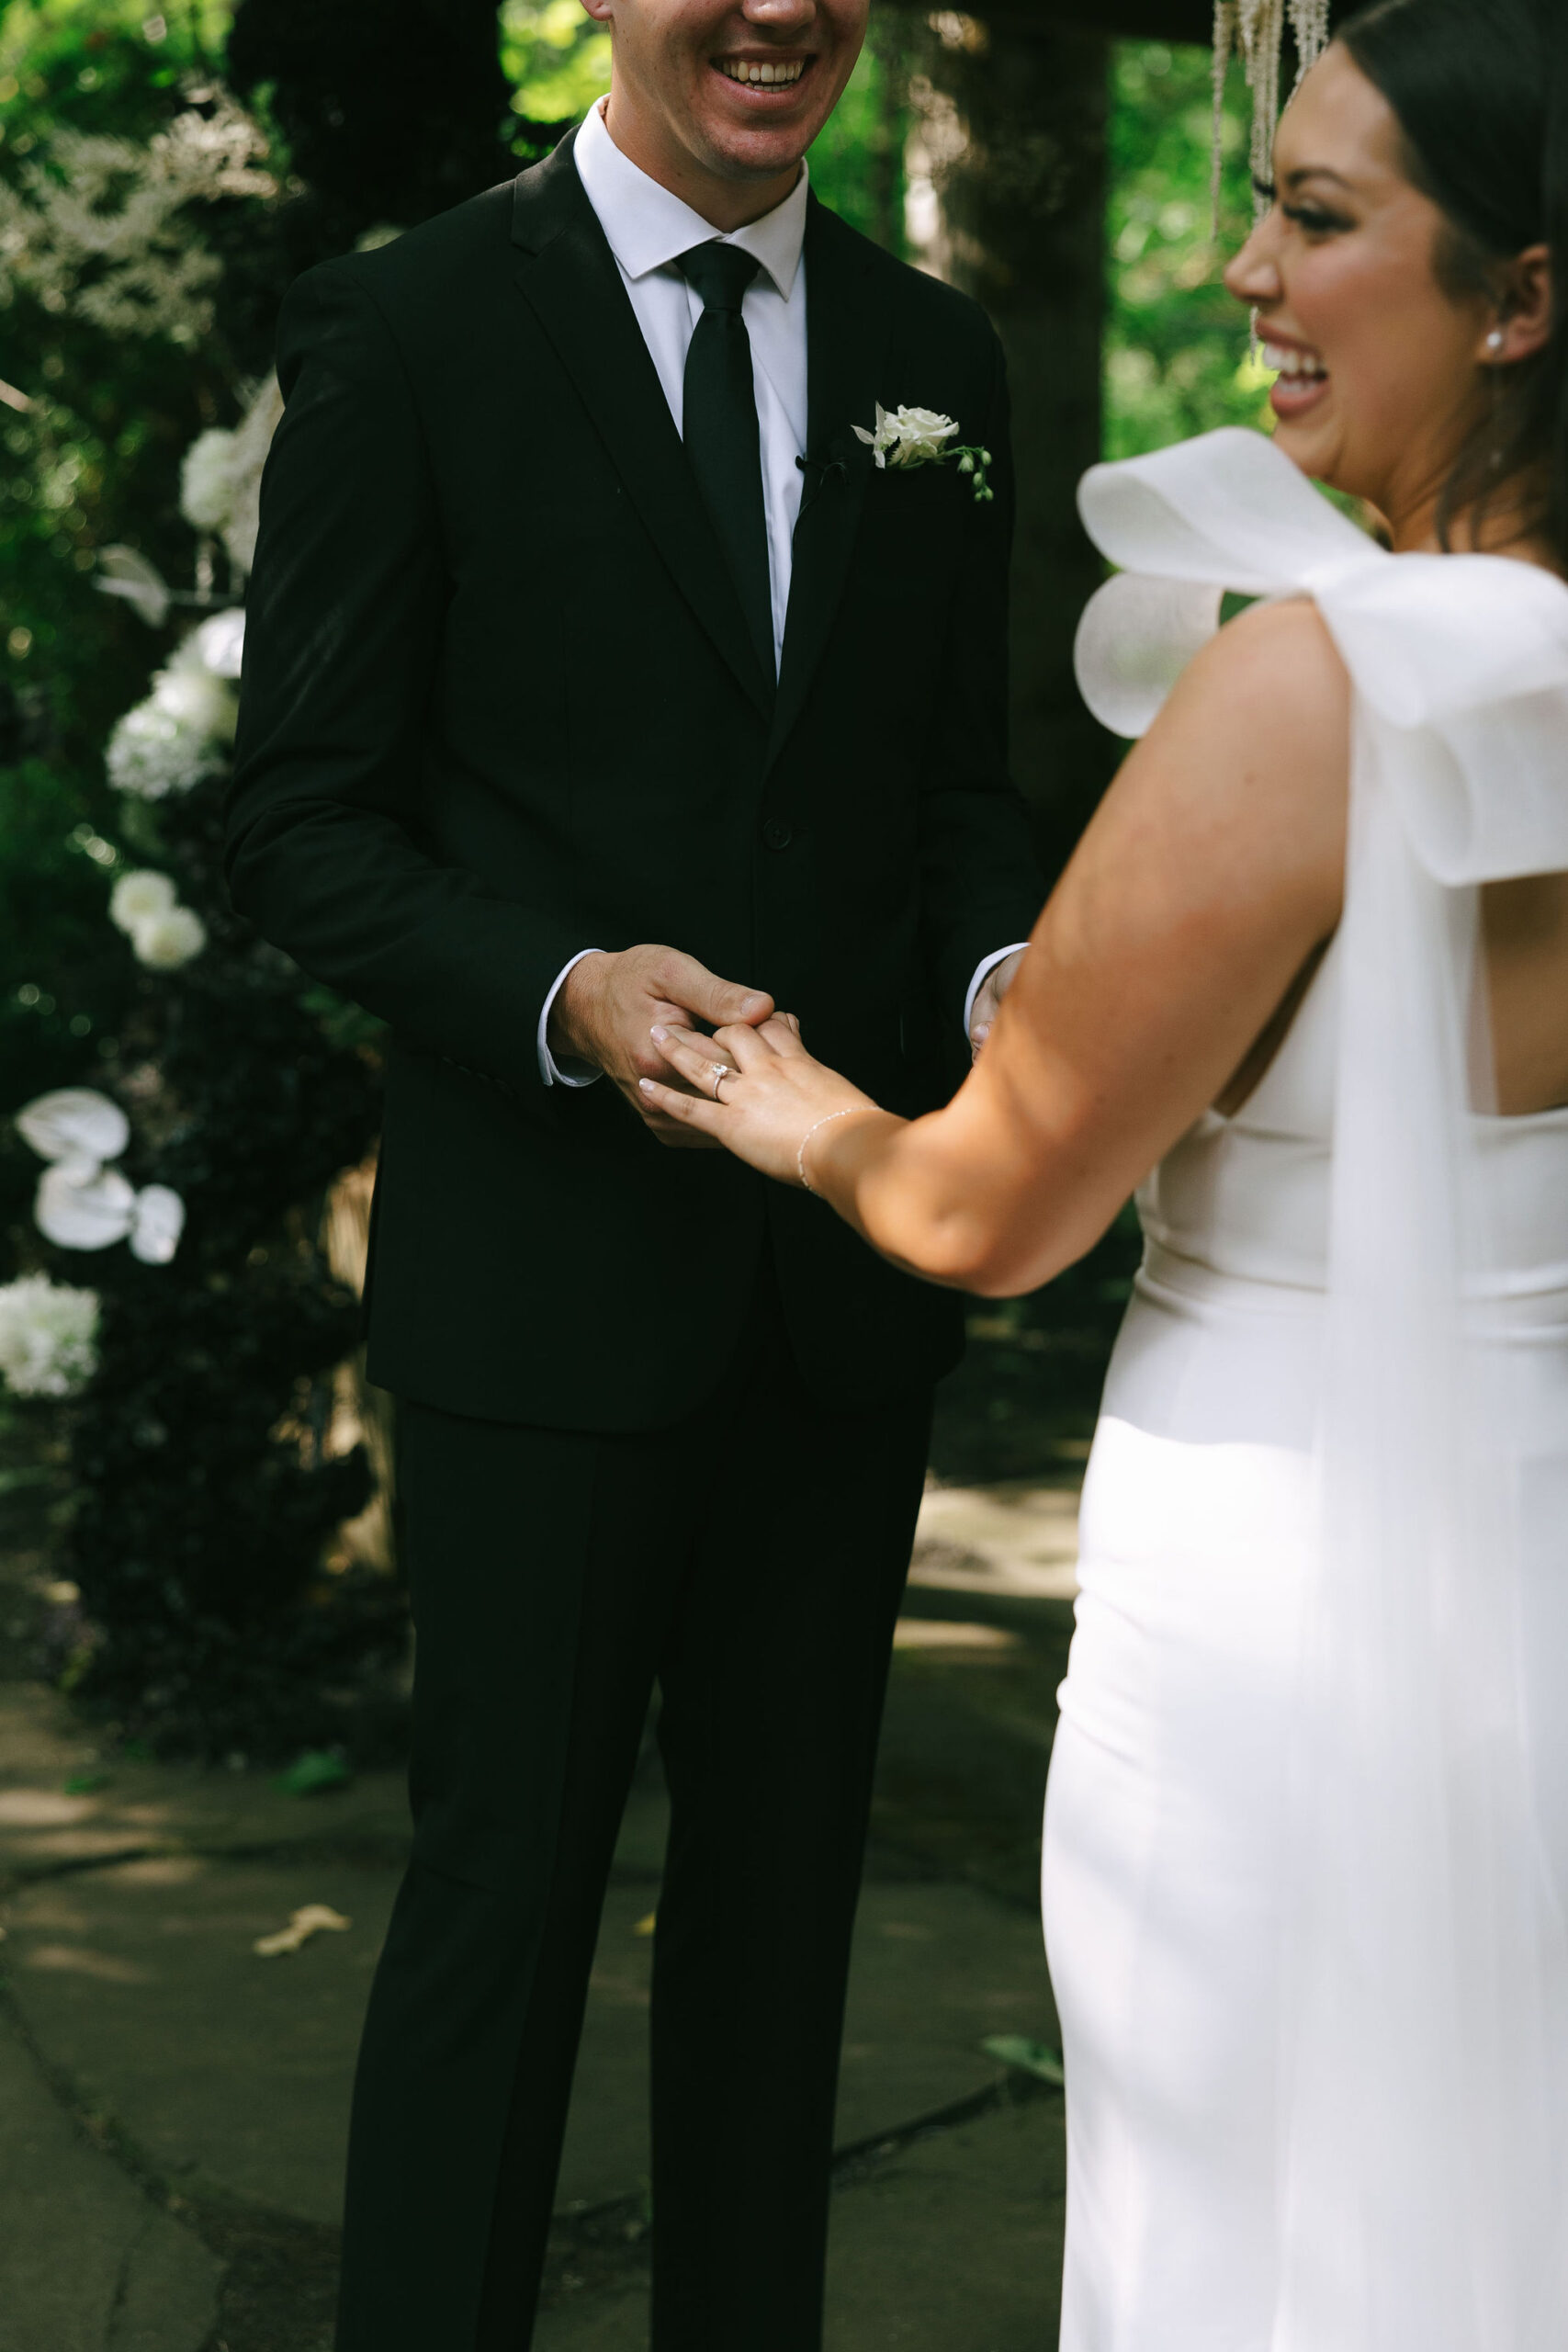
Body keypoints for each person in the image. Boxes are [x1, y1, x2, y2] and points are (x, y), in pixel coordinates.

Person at [640, 2, 1568, 2342]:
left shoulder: (1317, 683)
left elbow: (989, 1207)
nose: (1249, 269)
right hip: (1529, 1585)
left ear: (1523, 292)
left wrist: (790, 1109)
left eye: (1318, 215)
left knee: (1245, 2221)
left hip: (1280, 1596)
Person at [224, 0, 1041, 2338]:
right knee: (501, 1913)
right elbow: (301, 822)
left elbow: (948, 791)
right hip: (540, 1283)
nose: (775, 10)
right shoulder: (405, 326)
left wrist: (1007, 991)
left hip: (837, 1283)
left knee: (786, 1929)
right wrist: (564, 985)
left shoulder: (928, 355)